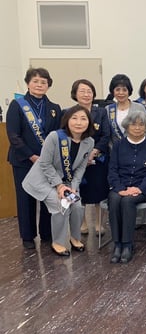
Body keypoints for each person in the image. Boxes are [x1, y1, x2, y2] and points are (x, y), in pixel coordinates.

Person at [22, 105, 94, 256]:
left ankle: (75, 238)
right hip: (43, 180)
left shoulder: (89, 142)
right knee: (60, 204)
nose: (79, 122)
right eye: (74, 118)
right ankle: (58, 242)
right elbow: (44, 163)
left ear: (89, 122)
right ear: (67, 120)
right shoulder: (54, 137)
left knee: (77, 205)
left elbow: (81, 168)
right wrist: (59, 186)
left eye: (83, 119)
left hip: (66, 182)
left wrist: (74, 187)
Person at [6, 67, 61, 249]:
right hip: (23, 160)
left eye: (43, 82)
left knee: (47, 195)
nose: (39, 85)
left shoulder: (54, 108)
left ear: (48, 85)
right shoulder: (17, 105)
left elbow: (57, 135)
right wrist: (31, 156)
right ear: (28, 83)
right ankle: (28, 236)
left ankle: (47, 232)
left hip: (47, 162)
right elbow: (13, 135)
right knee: (25, 198)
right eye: (35, 81)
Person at [107, 110, 146, 263]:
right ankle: (117, 244)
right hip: (120, 186)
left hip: (144, 188)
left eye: (141, 124)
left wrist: (139, 189)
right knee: (114, 199)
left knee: (127, 201)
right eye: (133, 124)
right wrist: (120, 188)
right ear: (127, 126)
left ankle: (127, 244)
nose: (137, 128)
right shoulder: (118, 145)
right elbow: (112, 170)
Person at [70, 79, 111, 236]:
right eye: (82, 91)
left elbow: (106, 135)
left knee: (100, 190)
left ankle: (99, 224)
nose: (86, 94)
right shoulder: (69, 112)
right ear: (75, 94)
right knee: (79, 191)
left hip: (98, 158)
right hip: (76, 159)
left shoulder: (101, 112)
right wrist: (81, 155)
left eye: (89, 91)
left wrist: (93, 152)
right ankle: (83, 223)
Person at [105, 74, 145, 145]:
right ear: (113, 91)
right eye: (117, 90)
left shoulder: (139, 107)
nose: (121, 93)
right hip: (115, 149)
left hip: (137, 148)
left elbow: (145, 130)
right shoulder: (108, 109)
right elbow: (107, 133)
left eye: (124, 90)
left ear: (129, 91)